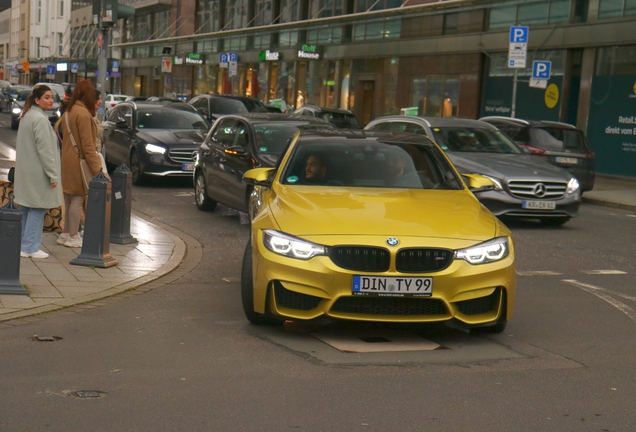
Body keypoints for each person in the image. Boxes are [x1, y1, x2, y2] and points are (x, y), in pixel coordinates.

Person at [13, 85, 63, 259]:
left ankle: (24, 244)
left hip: (27, 170)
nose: (51, 100)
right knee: (38, 208)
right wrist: (53, 174)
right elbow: (45, 150)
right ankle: (30, 247)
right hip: (38, 172)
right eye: (47, 97)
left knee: (27, 208)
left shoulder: (27, 116)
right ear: (37, 99)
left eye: (51, 97)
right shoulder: (40, 120)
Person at [59, 80, 100, 248]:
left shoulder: (70, 111)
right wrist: (97, 169)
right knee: (77, 198)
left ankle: (65, 233)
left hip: (68, 159)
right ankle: (73, 236)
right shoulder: (83, 114)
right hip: (79, 162)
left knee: (69, 198)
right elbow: (88, 145)